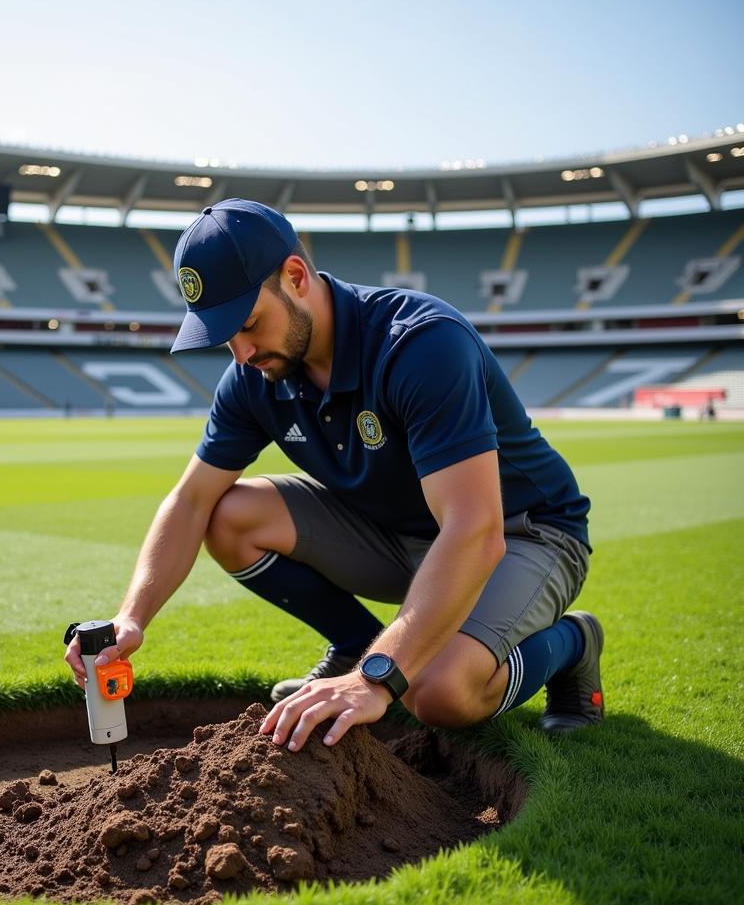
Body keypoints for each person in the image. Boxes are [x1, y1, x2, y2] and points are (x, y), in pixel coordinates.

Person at [65, 199, 604, 752]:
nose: (242, 352)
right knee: (229, 515)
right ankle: (351, 644)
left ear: (295, 277)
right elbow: (190, 501)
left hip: (522, 533)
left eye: (248, 323)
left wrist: (379, 679)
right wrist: (131, 618)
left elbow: (474, 530)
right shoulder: (253, 374)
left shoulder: (420, 343)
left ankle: (574, 642)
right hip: (396, 535)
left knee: (437, 692)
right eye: (224, 336)